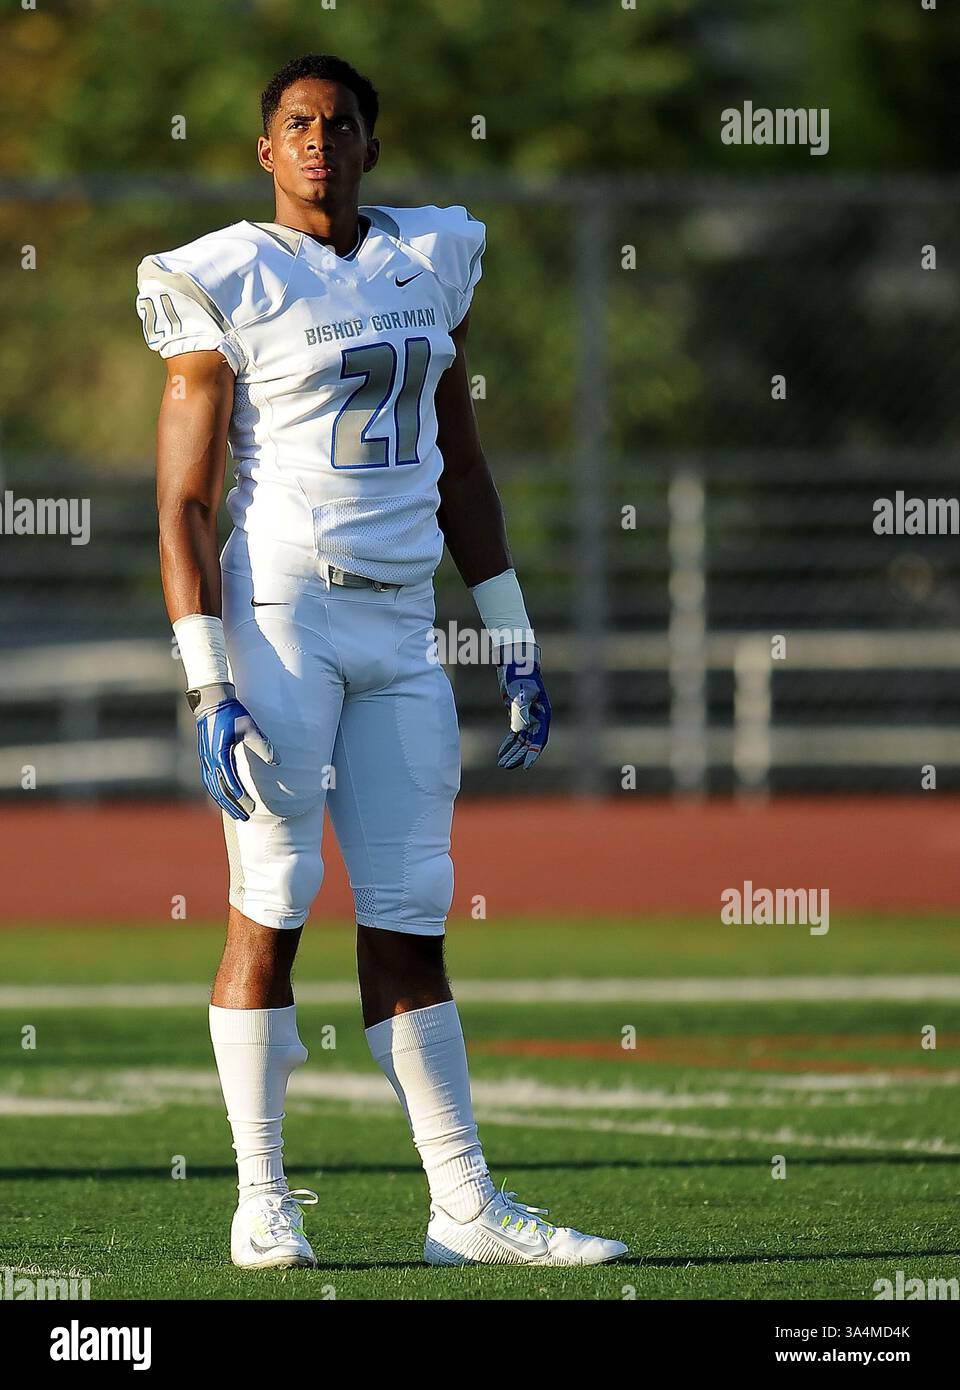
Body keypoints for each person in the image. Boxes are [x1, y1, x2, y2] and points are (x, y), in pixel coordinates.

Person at [137, 51, 626, 1269]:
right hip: (283, 616)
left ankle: (463, 1206)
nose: (317, 141)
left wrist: (512, 629)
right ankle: (260, 1199)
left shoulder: (434, 256)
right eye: (296, 124)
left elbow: (463, 467)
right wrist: (209, 674)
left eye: (339, 123)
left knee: (411, 909)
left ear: (370, 143)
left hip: (403, 622)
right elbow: (185, 504)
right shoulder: (225, 275)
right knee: (276, 897)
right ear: (265, 149)